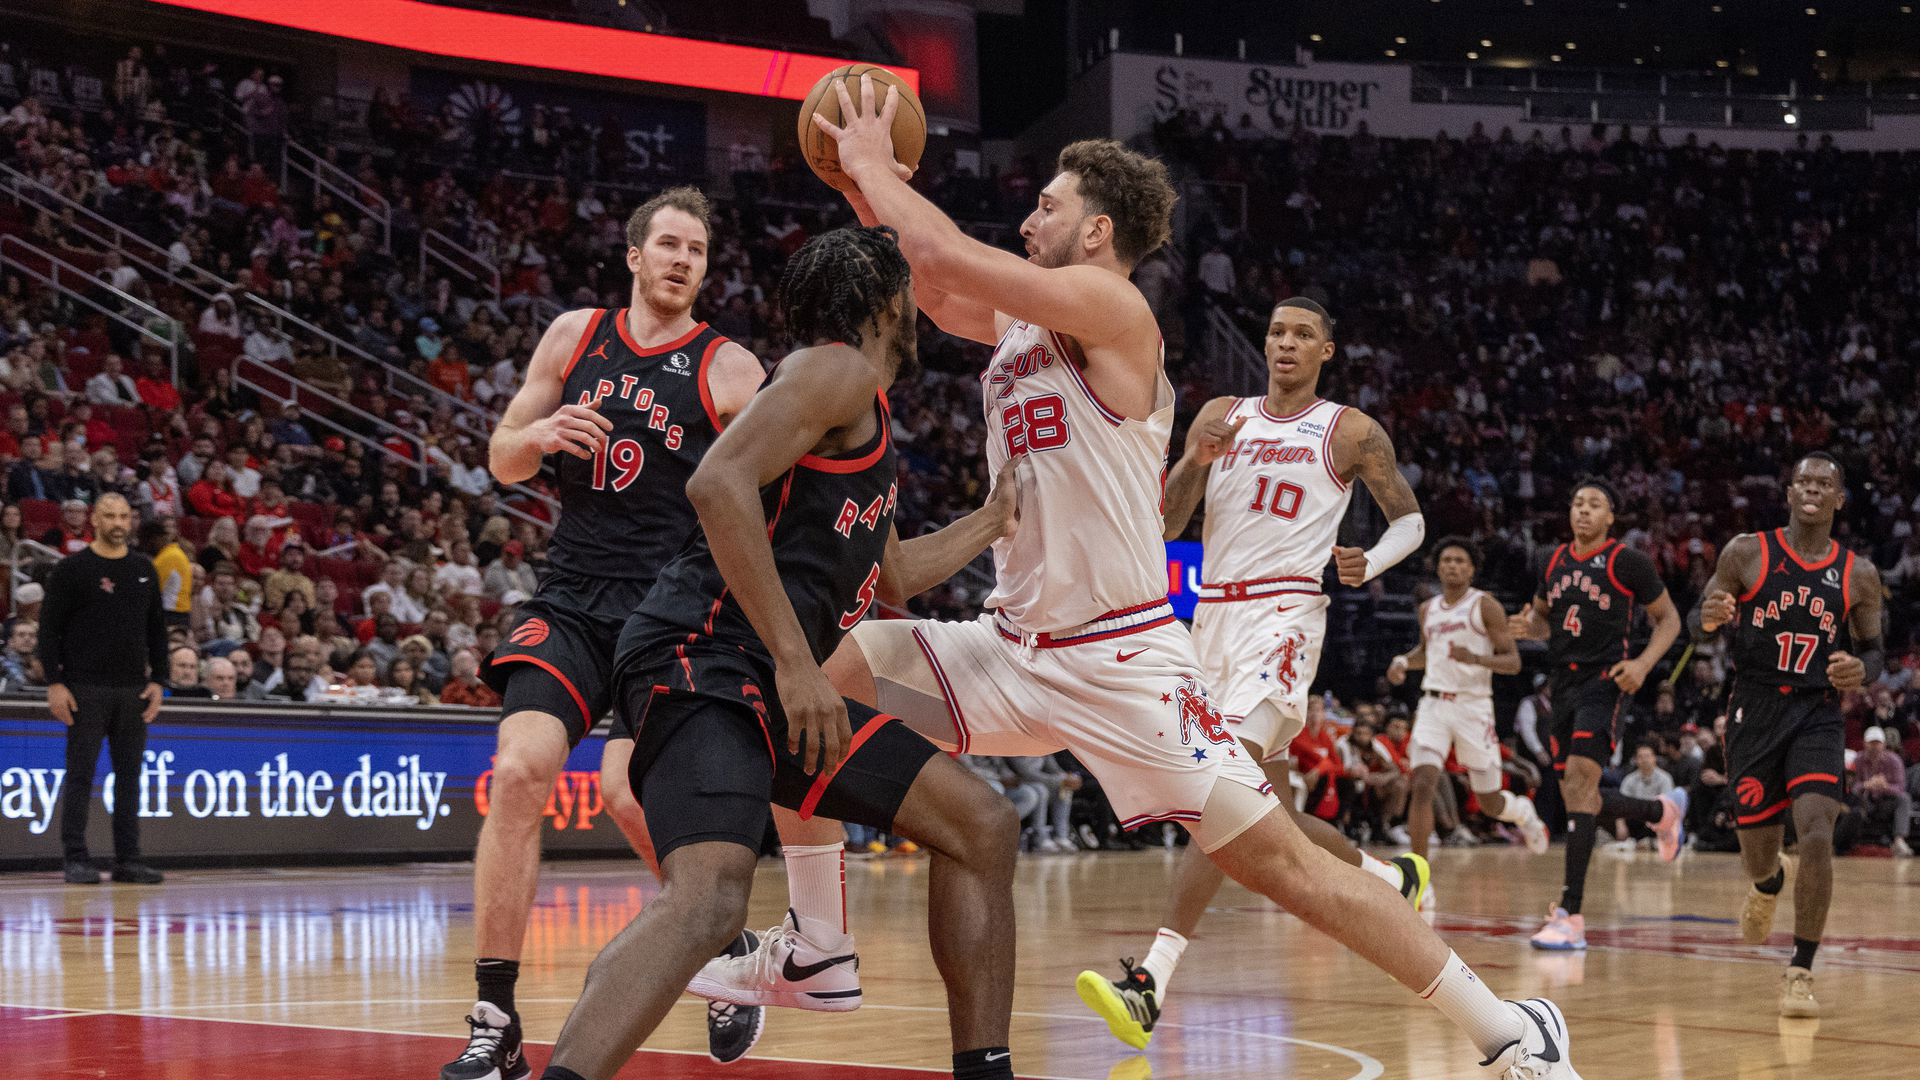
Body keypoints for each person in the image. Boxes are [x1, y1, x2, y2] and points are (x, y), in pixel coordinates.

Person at [722, 88, 1577, 1079]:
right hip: (1010, 650)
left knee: (1280, 867)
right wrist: (877, 195)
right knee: (817, 682)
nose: (1028, 217)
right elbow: (933, 279)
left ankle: (1511, 1031)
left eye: (1045, 205)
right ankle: (818, 945)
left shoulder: (1115, 308)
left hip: (1126, 662)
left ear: (1096, 229)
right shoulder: (1017, 318)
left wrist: (872, 162)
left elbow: (951, 258)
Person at [540, 225, 1024, 1080]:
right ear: (887, 301)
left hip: (761, 673)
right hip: (703, 656)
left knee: (980, 826)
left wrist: (992, 517)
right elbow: (714, 482)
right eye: (910, 293)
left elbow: (898, 572)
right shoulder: (831, 368)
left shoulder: (859, 406)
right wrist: (800, 665)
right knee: (709, 897)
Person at [444, 187, 772, 1080]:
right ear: (634, 256)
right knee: (518, 773)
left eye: (696, 251)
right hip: (573, 597)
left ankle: (726, 941)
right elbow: (501, 456)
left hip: (669, 615)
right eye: (667, 244)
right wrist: (541, 432)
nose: (680, 260)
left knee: (629, 797)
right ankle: (495, 1014)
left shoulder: (729, 367)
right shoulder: (575, 334)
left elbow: (781, 486)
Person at [1098, 295, 1437, 993]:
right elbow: (1165, 525)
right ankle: (1390, 875)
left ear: (1325, 352)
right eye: (1278, 331)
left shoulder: (1349, 431)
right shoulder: (1224, 413)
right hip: (1211, 622)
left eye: (1303, 334)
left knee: (1215, 791)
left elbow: (1411, 520)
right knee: (1269, 817)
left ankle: (1152, 980)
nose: (1286, 343)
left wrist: (1367, 563)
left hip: (1284, 616)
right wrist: (1194, 458)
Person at [1694, 452, 1885, 1016]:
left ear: (1839, 499)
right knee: (1759, 853)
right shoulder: (1746, 551)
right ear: (1789, 490)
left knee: (1818, 831)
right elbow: (1697, 619)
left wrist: (1863, 670)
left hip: (1817, 710)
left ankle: (1800, 969)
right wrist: (1708, 616)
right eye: (1804, 478)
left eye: (1825, 482)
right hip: (1753, 709)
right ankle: (1768, 884)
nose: (1813, 488)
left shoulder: (1859, 574)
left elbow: (1873, 650)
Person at [1509, 480, 1685, 951]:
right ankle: (1660, 812)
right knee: (1577, 795)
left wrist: (1644, 665)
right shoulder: (1553, 560)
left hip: (1605, 681)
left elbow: (1669, 619)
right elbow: (1545, 619)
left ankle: (1571, 913)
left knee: (1582, 782)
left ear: (1611, 518)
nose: (1583, 511)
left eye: (1595, 505)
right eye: (1577, 503)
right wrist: (1529, 625)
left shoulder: (1627, 561)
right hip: (1560, 683)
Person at [38, 493, 168, 886]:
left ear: (131, 521)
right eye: (109, 515)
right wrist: (55, 682)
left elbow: (157, 631)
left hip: (132, 690)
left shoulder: (144, 568)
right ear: (94, 519)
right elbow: (48, 629)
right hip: (84, 687)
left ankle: (129, 859)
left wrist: (159, 680)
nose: (116, 522)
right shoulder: (72, 569)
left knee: (130, 776)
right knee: (80, 775)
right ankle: (75, 857)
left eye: (123, 516)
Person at [1389, 537, 1547, 858]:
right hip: (1433, 704)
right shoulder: (1427, 610)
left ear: (1472, 569)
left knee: (1489, 801)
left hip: (1473, 706)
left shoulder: (1485, 605)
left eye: (1460, 561)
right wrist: (1404, 661)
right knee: (1421, 785)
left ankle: (1522, 813)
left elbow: (1513, 662)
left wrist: (1475, 659)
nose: (1452, 565)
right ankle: (1419, 878)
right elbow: (1427, 653)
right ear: (1437, 566)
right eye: (1447, 559)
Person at [1852, 726, 1912, 856]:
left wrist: (1885, 787)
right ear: (1864, 743)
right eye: (1871, 743)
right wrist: (1867, 785)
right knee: (1852, 799)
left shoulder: (1894, 760)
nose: (1874, 746)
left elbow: (1901, 787)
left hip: (1885, 802)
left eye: (1877, 743)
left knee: (1904, 799)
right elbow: (1851, 787)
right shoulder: (1857, 760)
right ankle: (1849, 840)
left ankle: (1899, 841)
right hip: (1864, 803)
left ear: (1884, 744)